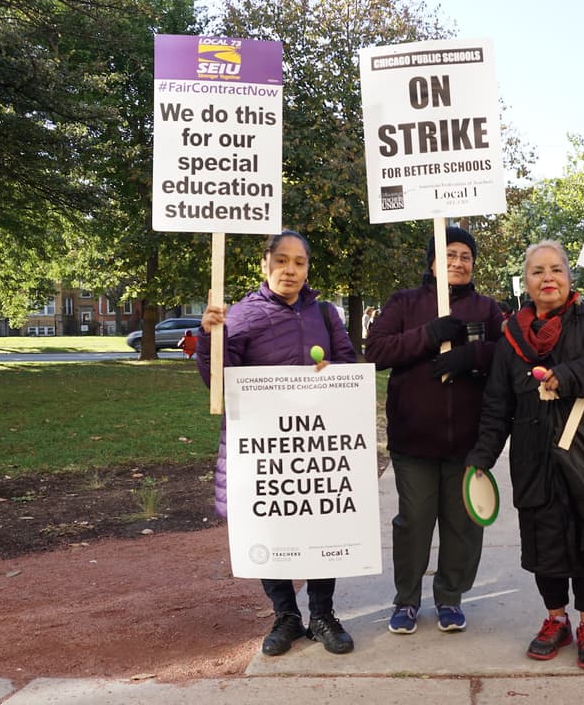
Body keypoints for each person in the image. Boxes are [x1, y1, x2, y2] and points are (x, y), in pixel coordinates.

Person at [465, 240, 584, 670]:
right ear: (527, 281)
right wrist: (482, 457)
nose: (548, 279)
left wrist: (567, 375)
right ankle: (555, 618)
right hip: (534, 457)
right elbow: (497, 404)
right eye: (538, 271)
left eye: (556, 270)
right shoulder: (511, 336)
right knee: (545, 543)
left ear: (568, 277)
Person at [195, 230, 358, 657]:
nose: (290, 270)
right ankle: (286, 615)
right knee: (270, 523)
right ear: (265, 263)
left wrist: (334, 373)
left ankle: (323, 614)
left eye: (299, 262)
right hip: (260, 448)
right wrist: (210, 339)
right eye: (282, 261)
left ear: (308, 268)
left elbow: (348, 365)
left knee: (322, 522)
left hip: (315, 444)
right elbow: (219, 380)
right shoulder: (241, 315)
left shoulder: (326, 313)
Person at [365, 227, 503, 635]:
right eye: (450, 255)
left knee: (463, 524)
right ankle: (407, 601)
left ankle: (450, 598)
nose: (458, 262)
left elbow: (508, 354)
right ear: (431, 261)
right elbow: (376, 351)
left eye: (465, 256)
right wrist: (428, 335)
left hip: (468, 442)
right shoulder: (404, 302)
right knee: (415, 522)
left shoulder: (486, 308)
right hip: (414, 440)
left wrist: (471, 356)